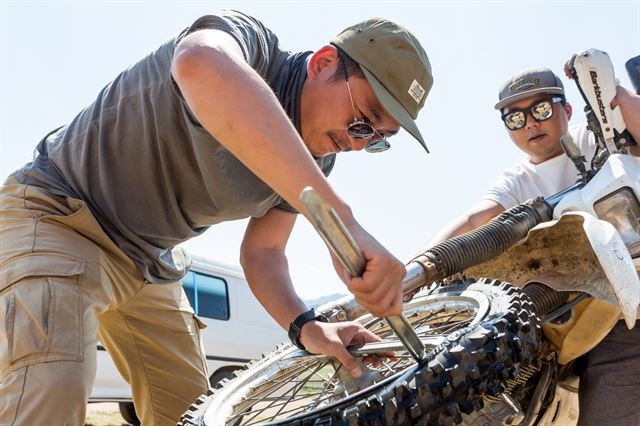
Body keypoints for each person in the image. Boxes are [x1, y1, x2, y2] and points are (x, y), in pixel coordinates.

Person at [0, 10, 433, 425]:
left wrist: (309, 326)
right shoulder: (251, 47)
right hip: (60, 214)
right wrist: (345, 224)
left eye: (379, 140)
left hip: (147, 260)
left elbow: (264, 253)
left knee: (189, 412)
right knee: (48, 391)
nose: (359, 145)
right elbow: (198, 63)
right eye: (364, 121)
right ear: (323, 63)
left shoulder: (314, 164)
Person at [426, 67, 640, 425]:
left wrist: (605, 82)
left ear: (566, 110)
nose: (529, 123)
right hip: (554, 323)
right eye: (515, 117)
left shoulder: (599, 136)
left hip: (622, 311)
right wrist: (419, 267)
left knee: (611, 405)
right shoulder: (517, 181)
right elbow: (476, 219)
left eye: (541, 109)